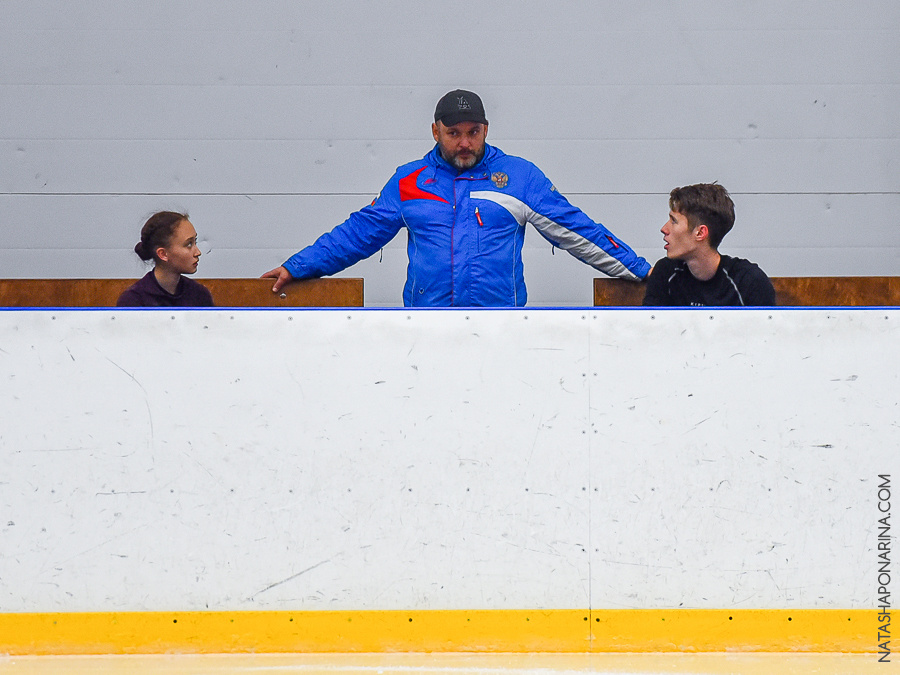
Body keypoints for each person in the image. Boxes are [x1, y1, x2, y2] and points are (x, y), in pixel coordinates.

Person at [262, 89, 650, 307]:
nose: (465, 143)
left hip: (501, 327)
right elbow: (357, 234)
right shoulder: (409, 181)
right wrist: (297, 266)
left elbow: (579, 232)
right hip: (426, 327)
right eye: (453, 133)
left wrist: (643, 272)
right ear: (435, 131)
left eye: (474, 132)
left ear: (486, 129)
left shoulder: (520, 177)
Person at [642, 183, 776, 307]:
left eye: (674, 221)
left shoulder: (749, 281)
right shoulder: (665, 272)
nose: (664, 229)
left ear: (700, 233)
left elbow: (767, 331)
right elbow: (650, 329)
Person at [117, 211, 214, 307]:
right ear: (163, 254)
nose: (198, 252)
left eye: (195, 242)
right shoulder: (133, 300)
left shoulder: (199, 295)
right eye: (188, 244)